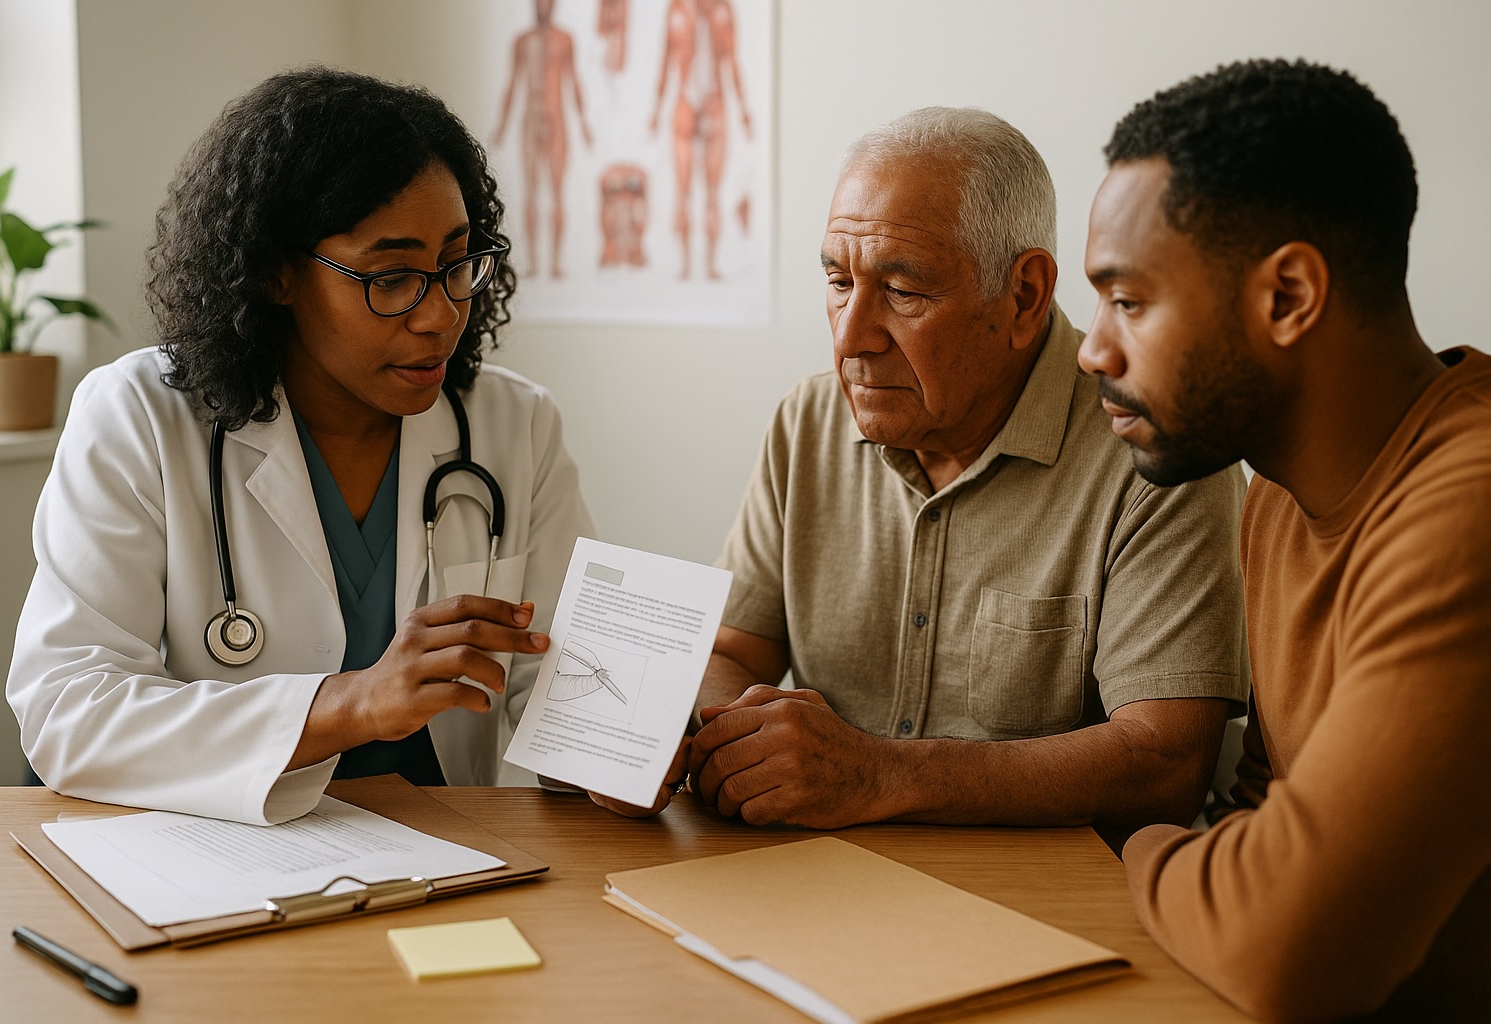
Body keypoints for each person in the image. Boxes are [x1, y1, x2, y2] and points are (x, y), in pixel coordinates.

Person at [595, 107, 1249, 830]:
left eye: (903, 293)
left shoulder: (1155, 455)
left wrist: (877, 775)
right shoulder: (807, 423)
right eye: (838, 281)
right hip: (823, 886)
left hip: (1050, 906)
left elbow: (1164, 765)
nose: (850, 338)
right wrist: (680, 733)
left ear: (1025, 296)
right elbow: (734, 649)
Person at [6, 68, 594, 826]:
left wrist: (614, 757)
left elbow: (561, 680)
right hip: (213, 853)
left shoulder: (515, 425)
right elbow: (68, 708)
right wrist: (346, 705)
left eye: (457, 264)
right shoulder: (139, 417)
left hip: (457, 848)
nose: (440, 314)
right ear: (277, 273)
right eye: (391, 278)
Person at [1079, 59, 1490, 1021]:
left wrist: (1136, 842)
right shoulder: (1274, 498)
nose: (1094, 348)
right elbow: (1262, 814)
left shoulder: (1467, 516)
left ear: (1290, 296)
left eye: (1129, 301)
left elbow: (1287, 946)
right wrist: (1232, 866)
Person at [650, 0, 752, 280]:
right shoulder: (677, 9)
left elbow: (731, 60)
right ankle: (684, 263)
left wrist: (744, 109)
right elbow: (666, 59)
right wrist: (656, 111)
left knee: (712, 194)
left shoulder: (722, 10)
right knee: (683, 192)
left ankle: (708, 264)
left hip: (714, 104)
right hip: (686, 104)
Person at [493, 0, 593, 279]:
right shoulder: (522, 42)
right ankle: (535, 264)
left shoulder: (564, 40)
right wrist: (502, 126)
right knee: (532, 192)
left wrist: (584, 123)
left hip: (556, 121)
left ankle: (555, 263)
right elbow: (513, 83)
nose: (543, 7)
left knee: (557, 193)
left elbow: (574, 81)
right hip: (531, 122)